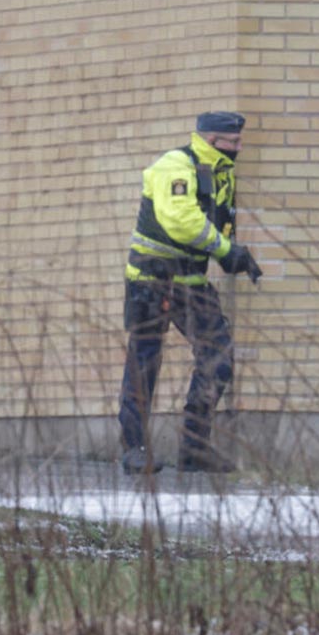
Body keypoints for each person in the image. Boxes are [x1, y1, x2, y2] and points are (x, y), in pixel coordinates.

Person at [118, 111, 263, 475]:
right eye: (234, 142)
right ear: (213, 140)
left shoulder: (220, 174)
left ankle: (194, 448)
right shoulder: (176, 165)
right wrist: (226, 251)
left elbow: (216, 223)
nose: (239, 147)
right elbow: (181, 221)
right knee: (144, 362)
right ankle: (134, 450)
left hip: (191, 282)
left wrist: (235, 254)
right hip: (152, 280)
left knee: (218, 357)